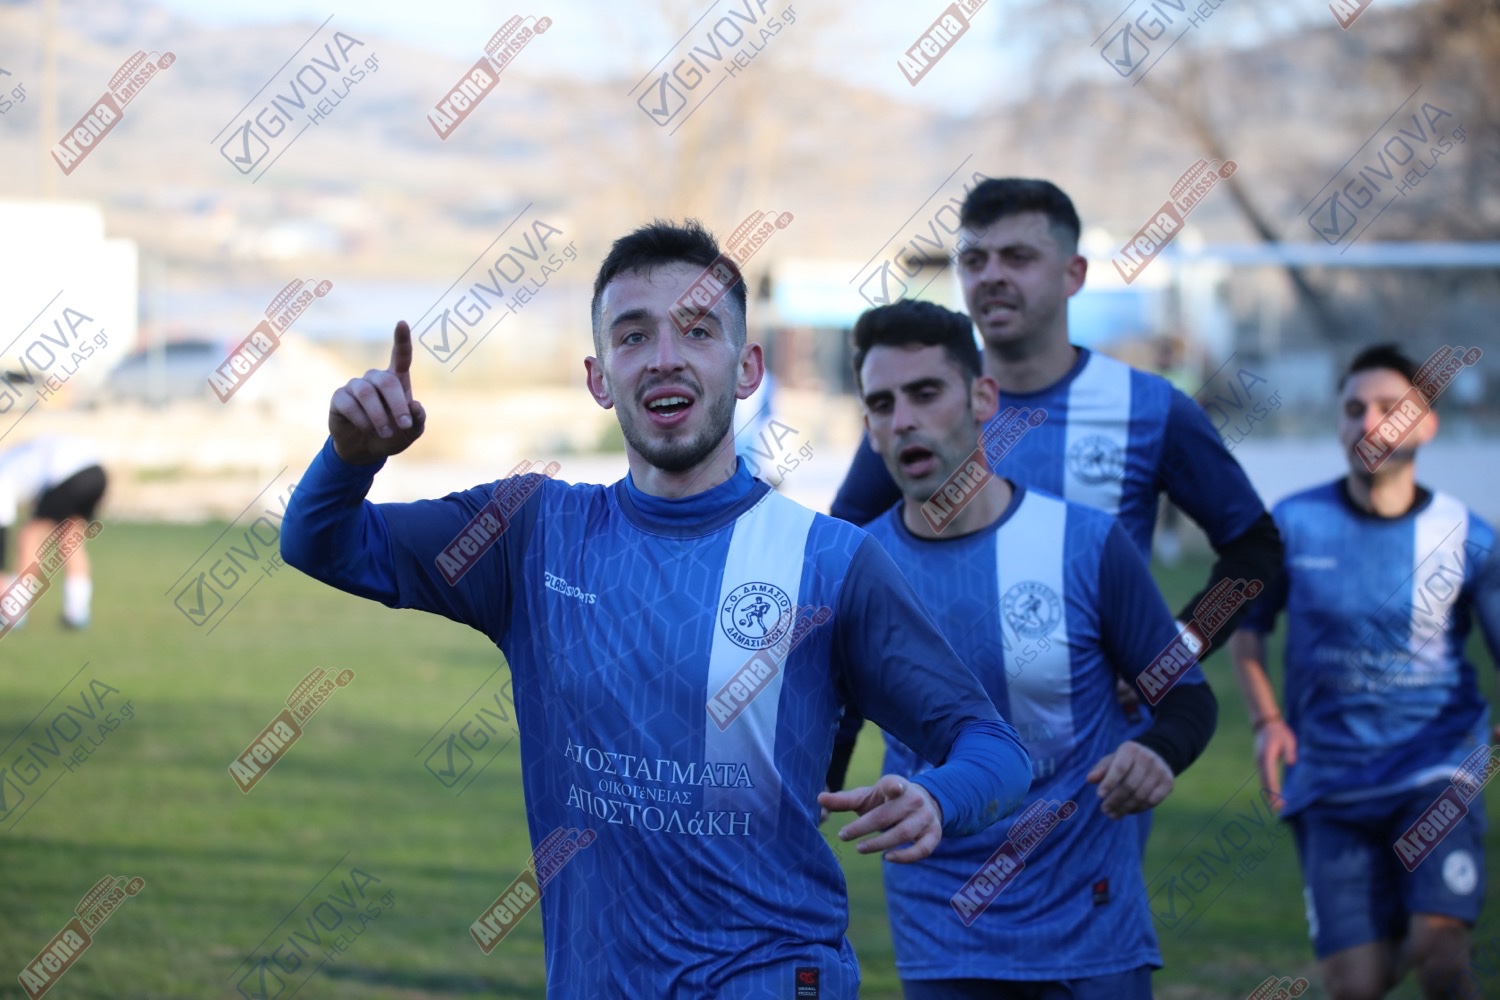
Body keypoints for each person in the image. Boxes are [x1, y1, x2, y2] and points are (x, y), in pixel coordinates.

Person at [279, 221, 1032, 998]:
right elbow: (321, 545)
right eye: (633, 336)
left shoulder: (831, 561)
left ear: (747, 367)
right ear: (600, 377)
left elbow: (996, 748)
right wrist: (350, 458)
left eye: (697, 330)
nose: (665, 356)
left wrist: (940, 796)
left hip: (772, 978)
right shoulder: (529, 533)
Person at [825, 179, 1282, 852]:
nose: (991, 276)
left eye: (1017, 257)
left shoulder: (1146, 409)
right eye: (974, 260)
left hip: (1089, 770)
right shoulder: (919, 407)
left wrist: (1174, 650)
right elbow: (840, 572)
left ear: (1074, 274)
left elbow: (1255, 549)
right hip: (939, 776)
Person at [851, 299, 1217, 999]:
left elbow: (1188, 698)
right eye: (882, 403)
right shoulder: (855, 567)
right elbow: (825, 726)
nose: (904, 420)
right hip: (941, 917)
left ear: (983, 398)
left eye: (926, 393)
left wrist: (1158, 750)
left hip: (1089, 912)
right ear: (868, 428)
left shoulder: (1086, 543)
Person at [1229, 344, 1500, 1000]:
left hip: (1435, 768)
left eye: (1389, 407)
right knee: (1355, 987)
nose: (1369, 423)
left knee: (1440, 948)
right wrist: (1267, 720)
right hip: (1329, 779)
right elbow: (1248, 629)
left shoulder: (1468, 535)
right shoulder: (1293, 524)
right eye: (1354, 409)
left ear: (1427, 424)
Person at [0, 434, 107, 629]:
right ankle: (76, 614)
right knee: (71, 538)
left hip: (68, 475)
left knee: (29, 537)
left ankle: (13, 614)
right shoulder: (16, 457)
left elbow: (2, 531)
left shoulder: (3, 472)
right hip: (96, 472)